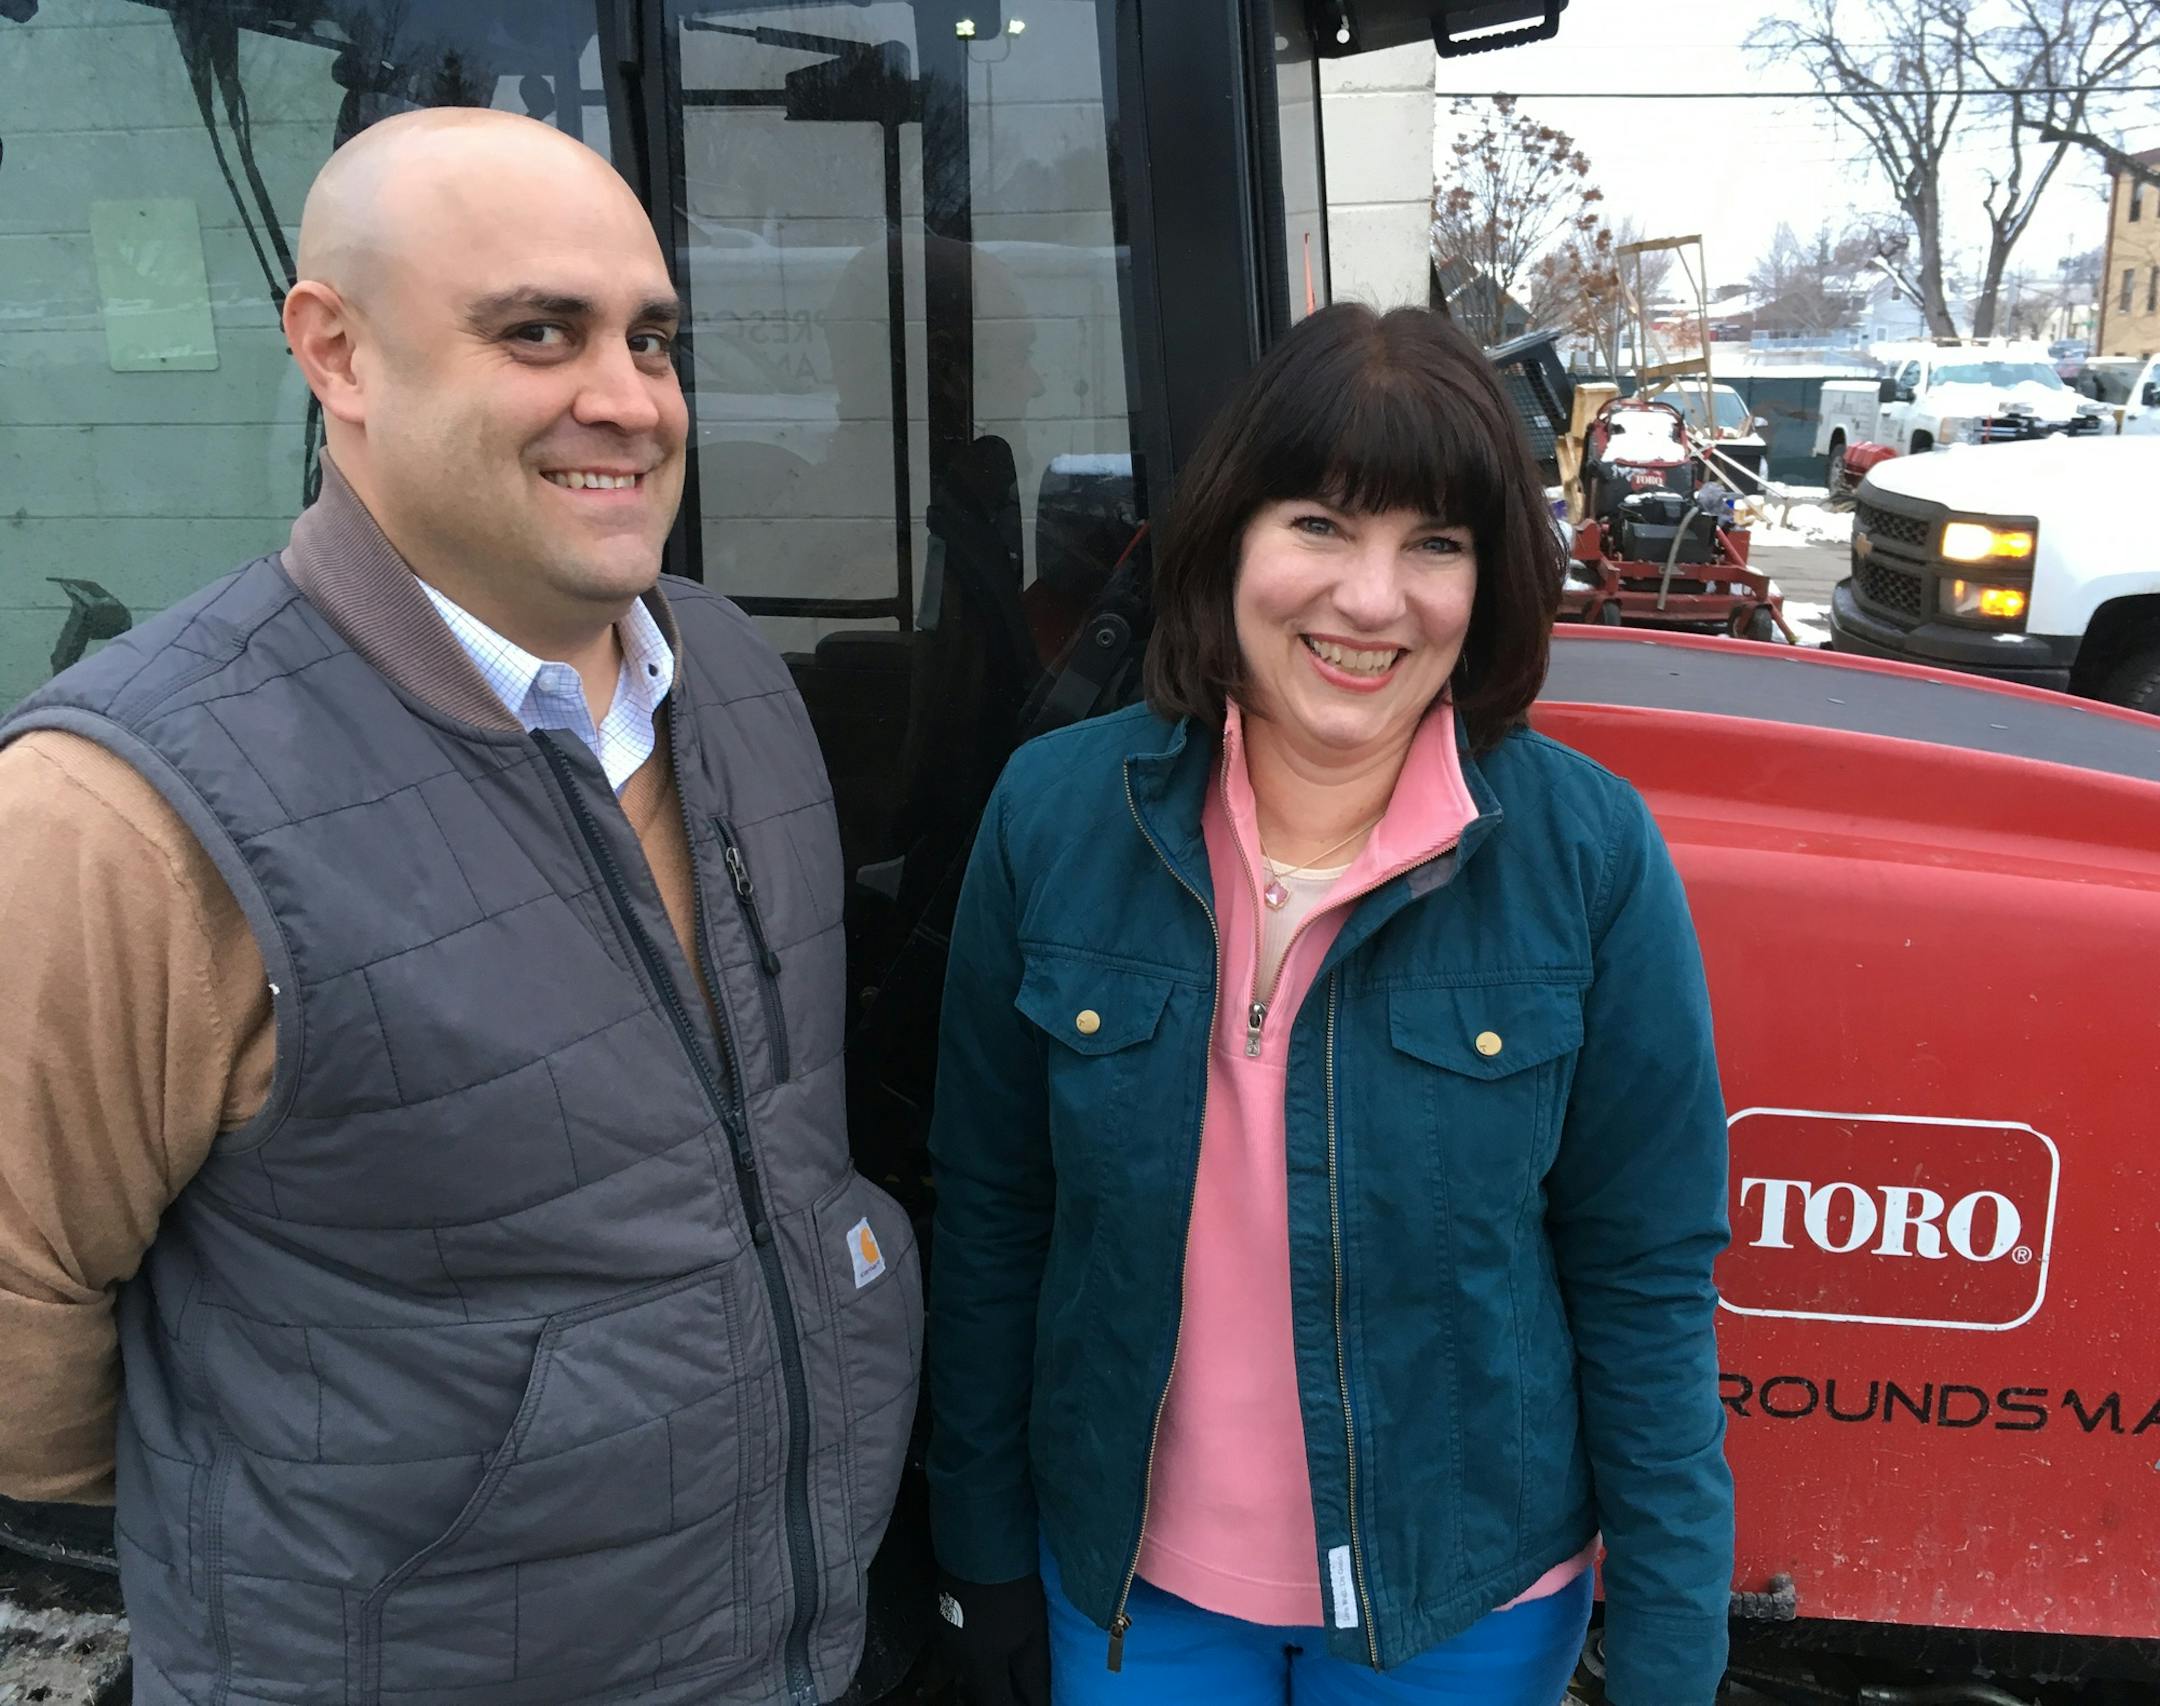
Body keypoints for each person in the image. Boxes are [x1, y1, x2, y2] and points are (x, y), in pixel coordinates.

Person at [0, 108, 921, 1705]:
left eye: (651, 337)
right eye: (539, 333)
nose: (629, 398)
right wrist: (345, 1501)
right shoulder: (116, 813)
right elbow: (22, 1339)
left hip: (776, 1648)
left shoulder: (734, 680)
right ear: (336, 352)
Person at [924, 303, 1733, 1706]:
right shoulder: (1054, 816)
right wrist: (980, 1546)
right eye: (1320, 524)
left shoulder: (1587, 855)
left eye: (1436, 543)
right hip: (1132, 1597)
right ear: (1229, 538)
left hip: (1465, 1611)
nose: (1372, 598)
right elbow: (993, 1216)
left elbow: (1643, 1274)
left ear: (1490, 577)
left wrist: (1670, 1648)